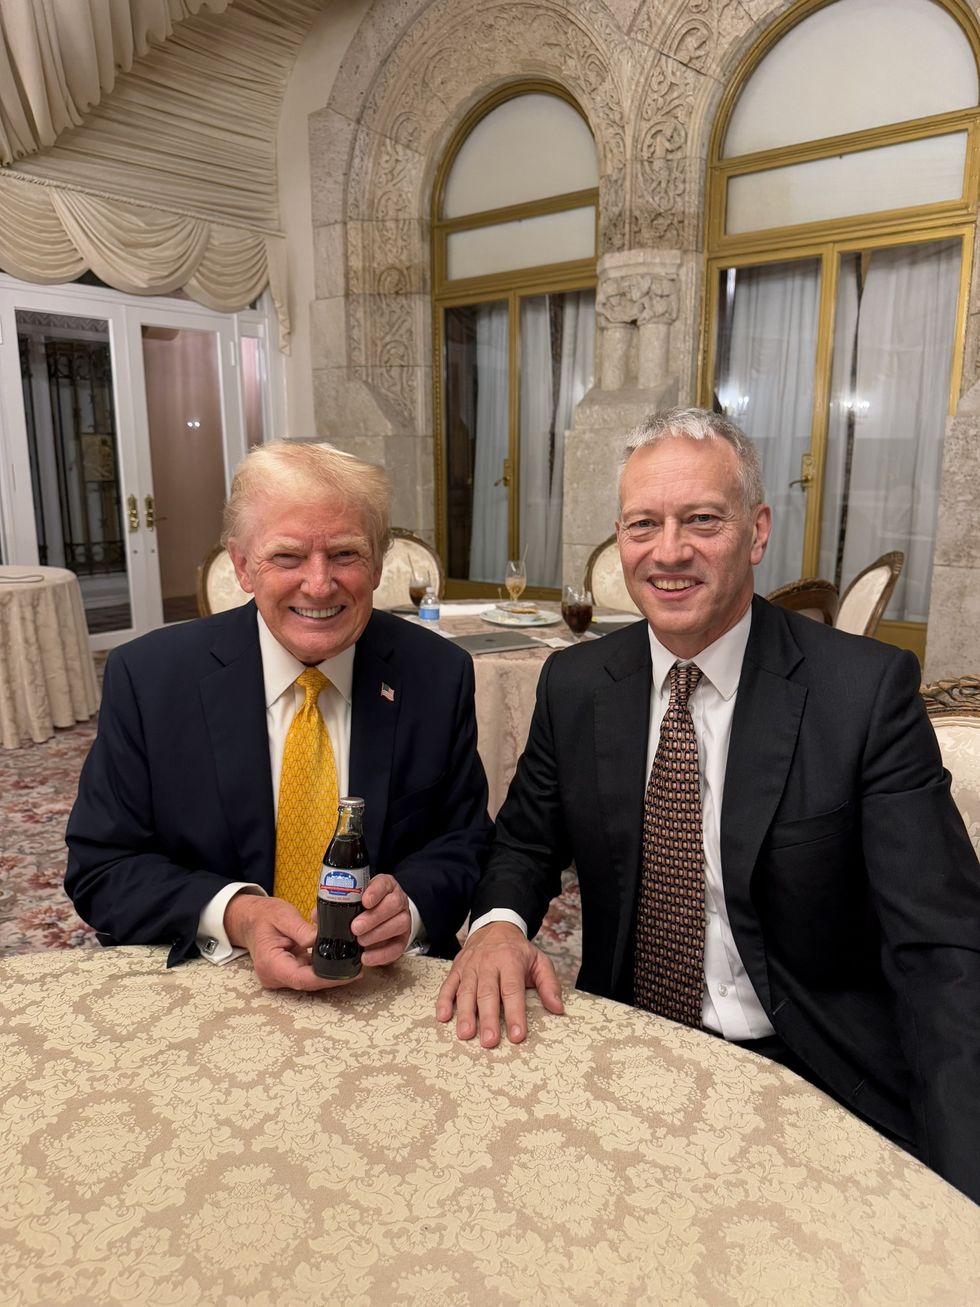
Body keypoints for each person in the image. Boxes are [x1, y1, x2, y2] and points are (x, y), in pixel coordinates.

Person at [436, 406, 980, 1204]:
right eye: (642, 524)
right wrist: (496, 928)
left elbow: (943, 948)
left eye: (701, 520)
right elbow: (522, 844)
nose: (669, 552)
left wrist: (962, 1188)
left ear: (757, 531)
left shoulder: (861, 694)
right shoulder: (578, 685)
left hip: (812, 1067)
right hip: (629, 1045)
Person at [66, 441, 492, 991]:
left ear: (380, 562)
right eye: (287, 557)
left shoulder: (437, 674)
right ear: (242, 565)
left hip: (382, 985)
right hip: (208, 981)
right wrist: (235, 914)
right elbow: (103, 866)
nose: (318, 584)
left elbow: (464, 842)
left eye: (345, 554)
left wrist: (409, 906)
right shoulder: (149, 680)